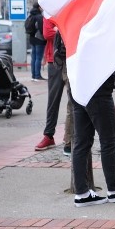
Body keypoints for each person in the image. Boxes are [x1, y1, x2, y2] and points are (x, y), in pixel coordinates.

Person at [70, 73, 115, 206]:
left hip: (78, 85)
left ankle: (82, 193)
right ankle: (114, 189)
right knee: (108, 140)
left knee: (82, 142)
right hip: (97, 87)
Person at [34, 16, 73, 152]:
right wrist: (64, 29)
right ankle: (49, 135)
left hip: (70, 59)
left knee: (73, 101)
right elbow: (47, 33)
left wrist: (58, 29)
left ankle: (70, 139)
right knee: (53, 100)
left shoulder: (67, 9)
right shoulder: (48, 13)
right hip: (54, 61)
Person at [25, 3, 45, 81]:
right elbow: (42, 29)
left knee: (34, 57)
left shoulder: (30, 16)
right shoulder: (39, 17)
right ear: (39, 7)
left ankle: (33, 75)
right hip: (39, 39)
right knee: (38, 58)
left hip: (32, 38)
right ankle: (37, 76)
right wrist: (44, 37)